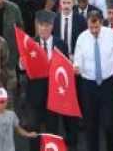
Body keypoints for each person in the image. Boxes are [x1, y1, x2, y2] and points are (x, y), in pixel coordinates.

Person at [73, 11, 113, 151]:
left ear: (101, 22)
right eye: (91, 28)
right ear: (87, 24)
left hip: (108, 84)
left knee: (109, 124)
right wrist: (76, 67)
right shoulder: (82, 38)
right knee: (91, 125)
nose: (94, 31)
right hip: (89, 85)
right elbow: (78, 59)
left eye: (96, 27)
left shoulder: (111, 35)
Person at [24, 10, 70, 151]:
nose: (43, 28)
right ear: (37, 26)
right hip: (34, 96)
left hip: (53, 97)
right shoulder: (29, 43)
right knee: (33, 131)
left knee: (52, 131)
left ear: (52, 26)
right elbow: (21, 69)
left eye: (47, 25)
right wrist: (21, 63)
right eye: (41, 25)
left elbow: (64, 69)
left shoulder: (61, 44)